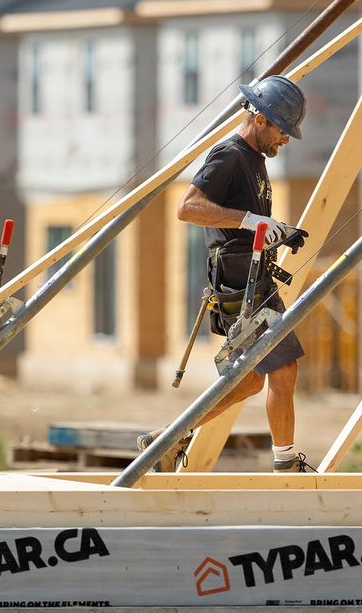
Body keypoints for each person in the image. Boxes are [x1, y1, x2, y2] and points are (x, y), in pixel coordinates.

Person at [138, 75, 312, 473]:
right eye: (283, 130)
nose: (285, 139)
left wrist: (275, 233)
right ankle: (287, 465)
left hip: (251, 278)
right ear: (261, 119)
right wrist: (253, 221)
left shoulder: (254, 161)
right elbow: (189, 208)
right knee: (283, 368)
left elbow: (241, 225)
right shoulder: (230, 154)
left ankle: (167, 438)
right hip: (241, 285)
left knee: (250, 380)